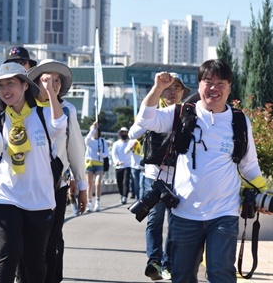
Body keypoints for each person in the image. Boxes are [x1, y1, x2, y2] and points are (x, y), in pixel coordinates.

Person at [134, 60, 272, 283]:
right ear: (199, 85)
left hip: (224, 213)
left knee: (221, 274)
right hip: (184, 214)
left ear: (229, 87)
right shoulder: (180, 114)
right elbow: (145, 119)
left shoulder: (239, 120)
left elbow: (249, 164)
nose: (213, 88)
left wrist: (261, 195)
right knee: (183, 276)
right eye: (208, 82)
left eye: (220, 83)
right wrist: (157, 88)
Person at [0, 62, 66, 283]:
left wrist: (52, 93)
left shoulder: (43, 115)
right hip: (7, 195)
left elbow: (60, 125)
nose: (6, 90)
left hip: (40, 199)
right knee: (7, 254)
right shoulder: (0, 118)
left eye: (11, 84)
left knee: (35, 261)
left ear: (25, 86)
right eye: (1, 86)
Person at [0, 46, 37, 272]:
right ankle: (3, 263)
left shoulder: (37, 93)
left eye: (23, 62)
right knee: (2, 227)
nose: (20, 65)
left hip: (31, 167)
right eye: (14, 61)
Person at [26, 59, 88, 283]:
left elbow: (76, 150)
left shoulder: (68, 109)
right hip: (26, 187)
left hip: (57, 187)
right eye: (46, 79)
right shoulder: (23, 108)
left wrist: (82, 186)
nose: (53, 84)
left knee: (52, 241)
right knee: (27, 242)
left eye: (57, 80)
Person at [129, 71, 190, 280]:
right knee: (154, 220)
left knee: (175, 222)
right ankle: (153, 261)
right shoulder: (152, 112)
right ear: (160, 92)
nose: (172, 92)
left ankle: (169, 263)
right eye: (168, 88)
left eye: (177, 88)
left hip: (178, 179)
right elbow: (132, 133)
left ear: (183, 92)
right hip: (154, 178)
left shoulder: (188, 113)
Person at [84, 121, 109, 212]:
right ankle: (89, 203)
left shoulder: (102, 141)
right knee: (89, 185)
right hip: (89, 163)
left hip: (99, 164)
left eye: (96, 130)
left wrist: (101, 154)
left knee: (98, 183)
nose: (95, 131)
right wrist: (92, 129)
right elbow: (86, 140)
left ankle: (97, 202)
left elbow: (106, 153)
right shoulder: (89, 140)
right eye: (93, 130)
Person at [111, 127, 132, 205]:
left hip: (127, 165)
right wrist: (116, 161)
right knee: (119, 182)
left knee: (125, 181)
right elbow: (113, 154)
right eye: (122, 133)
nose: (124, 134)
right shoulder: (116, 144)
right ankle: (121, 194)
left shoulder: (130, 143)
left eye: (125, 133)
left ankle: (125, 197)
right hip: (118, 165)